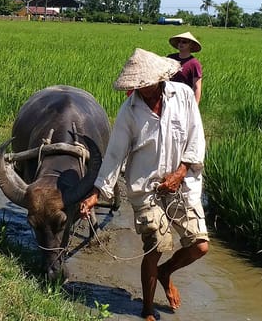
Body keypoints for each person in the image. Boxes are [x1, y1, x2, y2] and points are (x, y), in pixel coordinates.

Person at [79, 48, 208, 320]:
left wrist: (181, 171)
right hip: (146, 188)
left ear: (160, 78)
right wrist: (96, 193)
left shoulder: (182, 96)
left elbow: (196, 136)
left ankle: (166, 272)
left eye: (147, 83)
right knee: (155, 247)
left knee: (199, 246)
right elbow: (115, 154)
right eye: (138, 85)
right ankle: (147, 310)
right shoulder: (130, 110)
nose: (143, 89)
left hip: (182, 183)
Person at [167, 31, 203, 104]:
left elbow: (197, 87)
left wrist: (195, 107)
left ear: (191, 45)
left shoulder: (194, 63)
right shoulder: (170, 58)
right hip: (168, 96)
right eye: (179, 41)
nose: (181, 43)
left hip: (183, 99)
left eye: (184, 42)